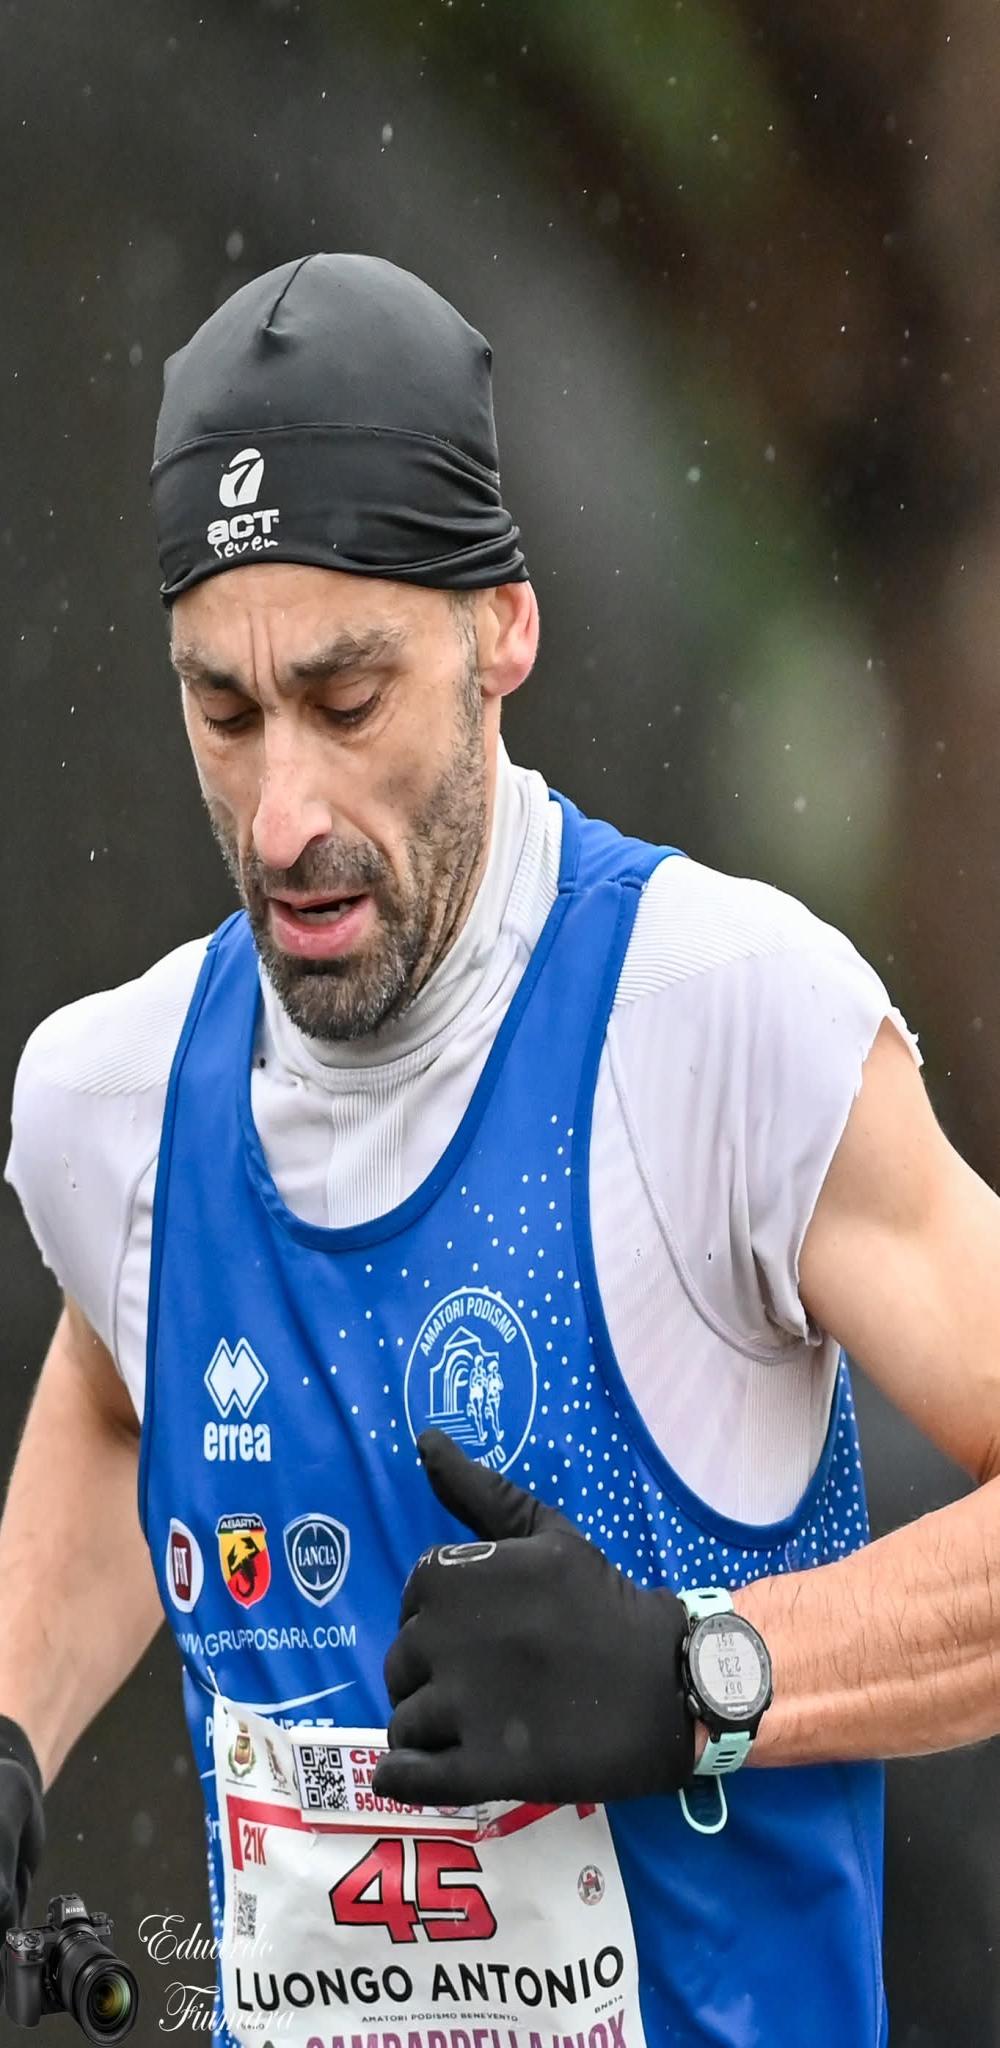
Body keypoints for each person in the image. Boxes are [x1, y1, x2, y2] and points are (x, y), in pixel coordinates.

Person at [3, 252, 999, 2048]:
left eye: (347, 700)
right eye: (223, 713)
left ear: (502, 633)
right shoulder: (113, 1096)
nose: (282, 816)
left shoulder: (724, 1020)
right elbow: (117, 1381)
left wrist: (705, 1677)